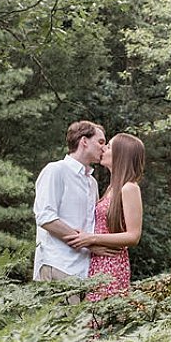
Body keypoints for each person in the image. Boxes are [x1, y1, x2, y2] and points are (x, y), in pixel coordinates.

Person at [66, 133, 145, 299]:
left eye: (108, 146)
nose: (103, 149)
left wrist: (92, 239)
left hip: (112, 262)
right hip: (97, 261)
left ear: (120, 154)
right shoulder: (111, 189)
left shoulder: (130, 188)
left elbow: (133, 236)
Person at [32, 120, 108, 282]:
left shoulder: (91, 182)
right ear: (84, 141)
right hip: (58, 264)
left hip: (86, 271)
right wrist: (88, 242)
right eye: (100, 142)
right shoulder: (56, 170)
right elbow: (46, 218)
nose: (104, 148)